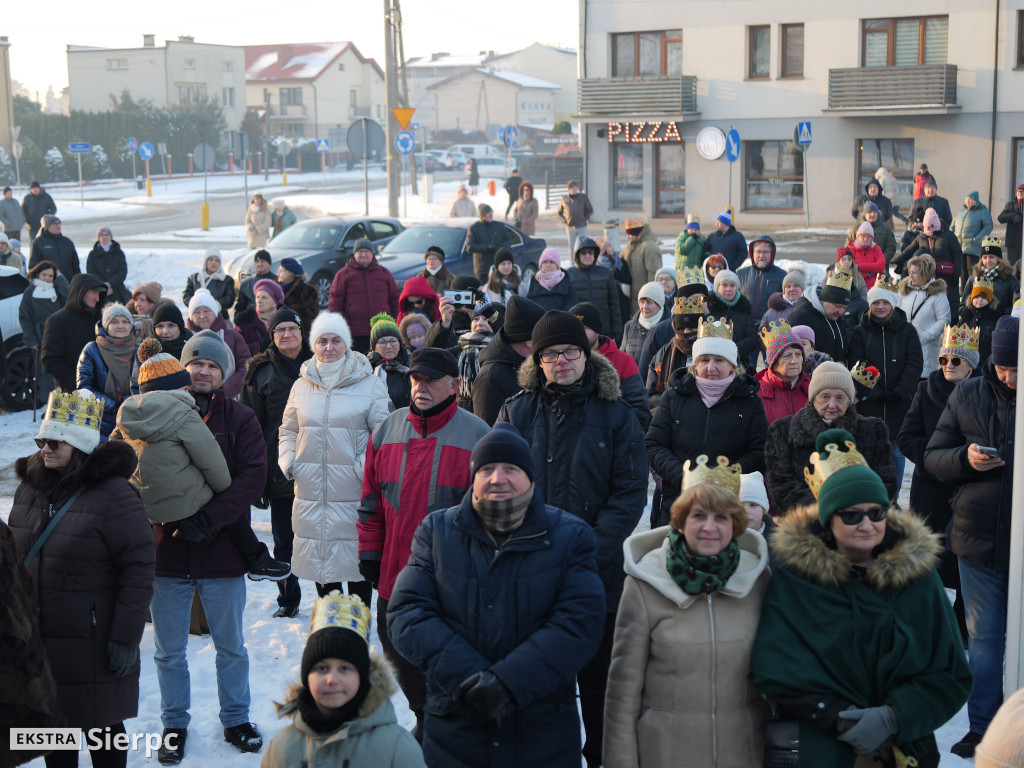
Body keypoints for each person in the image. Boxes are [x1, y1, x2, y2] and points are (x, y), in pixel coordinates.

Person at [387, 423, 606, 768]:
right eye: (486, 468)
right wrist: (470, 678)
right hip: (457, 727)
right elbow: (407, 613)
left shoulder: (570, 535)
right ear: (473, 477)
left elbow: (579, 622)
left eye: (511, 468)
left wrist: (508, 683)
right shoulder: (437, 531)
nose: (497, 478)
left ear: (530, 476)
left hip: (541, 728)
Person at [753, 429, 971, 768]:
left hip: (906, 750)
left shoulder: (919, 581)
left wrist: (895, 716)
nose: (867, 524)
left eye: (877, 512)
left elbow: (950, 672)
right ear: (828, 519)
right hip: (823, 749)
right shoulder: (796, 580)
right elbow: (775, 665)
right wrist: (837, 715)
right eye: (851, 515)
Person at [496, 310, 647, 767]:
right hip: (531, 574)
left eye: (569, 352)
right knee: (542, 687)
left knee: (600, 688)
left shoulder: (616, 415)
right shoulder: (515, 411)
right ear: (537, 360)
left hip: (595, 578)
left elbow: (629, 492)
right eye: (550, 354)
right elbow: (498, 487)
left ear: (586, 355)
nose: (560, 361)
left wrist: (587, 552)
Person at [9, 388, 155, 768]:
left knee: (103, 729)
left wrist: (125, 638)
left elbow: (138, 569)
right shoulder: (29, 490)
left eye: (56, 441)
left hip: (92, 644)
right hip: (40, 640)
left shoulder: (114, 495)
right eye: (42, 439)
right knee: (56, 734)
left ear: (80, 445)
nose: (46, 448)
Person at [147, 331, 271, 764]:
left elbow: (252, 477)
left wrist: (209, 520)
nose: (202, 371)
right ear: (184, 368)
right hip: (168, 553)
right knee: (168, 650)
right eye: (196, 363)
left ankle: (236, 717)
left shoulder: (240, 419)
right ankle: (174, 724)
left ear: (224, 374)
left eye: (212, 366)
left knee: (231, 645)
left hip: (221, 552)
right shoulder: (152, 412)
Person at [603, 456, 770, 768]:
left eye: (721, 517)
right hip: (665, 755)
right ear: (680, 520)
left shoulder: (757, 580)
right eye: (699, 515)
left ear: (735, 523)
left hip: (743, 754)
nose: (710, 527)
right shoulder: (645, 585)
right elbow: (622, 697)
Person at [357, 347, 489, 736]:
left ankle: (444, 725)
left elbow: (488, 520)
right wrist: (369, 552)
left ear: (455, 384)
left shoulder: (478, 437)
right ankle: (424, 717)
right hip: (394, 576)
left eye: (431, 380)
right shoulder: (386, 430)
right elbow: (370, 504)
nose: (421, 387)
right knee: (398, 652)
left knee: (444, 661)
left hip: (452, 582)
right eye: (416, 379)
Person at [924, 315, 1018, 758]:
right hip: (977, 540)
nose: (1010, 377)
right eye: (1003, 369)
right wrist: (965, 459)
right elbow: (933, 457)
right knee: (984, 641)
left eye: (1018, 368)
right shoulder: (968, 393)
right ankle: (982, 726)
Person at [278, 312, 392, 606]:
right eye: (322, 341)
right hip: (311, 490)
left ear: (347, 344)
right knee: (321, 562)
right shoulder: (301, 385)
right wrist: (290, 461)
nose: (329, 347)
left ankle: (356, 629)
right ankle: (332, 627)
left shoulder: (370, 384)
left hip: (353, 490)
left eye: (336, 340)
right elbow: (288, 429)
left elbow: (384, 436)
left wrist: (361, 469)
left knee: (356, 563)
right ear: (314, 345)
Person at [261, 592, 426, 768]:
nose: (332, 679)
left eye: (345, 669)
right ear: (306, 677)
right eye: (322, 668)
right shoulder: (282, 747)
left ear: (362, 677)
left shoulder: (397, 747)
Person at [896, 323, 981, 645]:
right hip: (930, 490)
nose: (948, 366)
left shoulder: (982, 394)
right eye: (944, 359)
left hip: (967, 490)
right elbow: (907, 436)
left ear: (971, 364)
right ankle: (924, 627)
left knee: (962, 563)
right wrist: (933, 460)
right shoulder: (926, 389)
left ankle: (960, 632)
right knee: (926, 561)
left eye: (956, 361)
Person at [646, 316, 767, 526]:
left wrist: (729, 476)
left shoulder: (749, 401)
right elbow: (655, 444)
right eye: (704, 360)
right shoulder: (674, 396)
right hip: (679, 500)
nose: (711, 367)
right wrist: (682, 475)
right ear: (695, 363)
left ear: (732, 365)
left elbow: (759, 450)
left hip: (729, 502)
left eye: (719, 360)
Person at [239, 308, 312, 618]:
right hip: (281, 469)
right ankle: (288, 598)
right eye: (279, 329)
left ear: (301, 331)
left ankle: (331, 596)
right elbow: (250, 427)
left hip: (321, 466)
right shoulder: (261, 372)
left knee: (327, 537)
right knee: (285, 541)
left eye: (291, 328)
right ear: (272, 336)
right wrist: (255, 475)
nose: (286, 334)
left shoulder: (320, 362)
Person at [764, 362, 897, 515]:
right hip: (808, 521)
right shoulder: (782, 431)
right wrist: (827, 510)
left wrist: (852, 511)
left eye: (840, 398)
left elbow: (886, 483)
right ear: (813, 398)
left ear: (850, 400)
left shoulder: (872, 431)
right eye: (825, 397)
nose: (832, 405)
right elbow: (781, 487)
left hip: (860, 519)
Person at [847, 273, 923, 489]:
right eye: (876, 302)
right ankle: (869, 492)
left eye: (885, 302)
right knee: (868, 450)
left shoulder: (907, 331)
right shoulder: (860, 332)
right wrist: (874, 391)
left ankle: (893, 496)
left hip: (900, 403)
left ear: (893, 303)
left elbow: (914, 363)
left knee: (896, 452)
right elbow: (856, 362)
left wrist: (900, 391)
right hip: (870, 403)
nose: (881, 307)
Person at [571, 300, 650, 429]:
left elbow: (639, 408)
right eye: (574, 328)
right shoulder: (563, 361)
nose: (578, 333)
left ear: (597, 331)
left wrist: (616, 434)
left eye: (584, 328)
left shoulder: (623, 360)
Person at [471, 294, 544, 424]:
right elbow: (488, 435)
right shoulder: (490, 378)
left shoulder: (531, 365)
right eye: (543, 335)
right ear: (529, 340)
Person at [76, 303, 139, 441]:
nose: (120, 326)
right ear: (105, 326)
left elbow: (149, 384)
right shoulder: (92, 350)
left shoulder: (140, 350)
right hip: (102, 423)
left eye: (125, 321)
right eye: (114, 322)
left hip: (137, 418)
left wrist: (126, 404)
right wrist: (113, 405)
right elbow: (84, 388)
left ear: (131, 326)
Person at [329, 237, 401, 353]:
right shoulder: (343, 275)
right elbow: (335, 303)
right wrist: (342, 325)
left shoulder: (384, 273)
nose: (363, 254)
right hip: (355, 334)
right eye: (360, 252)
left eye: (367, 251)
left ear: (372, 254)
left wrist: (393, 322)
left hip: (381, 331)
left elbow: (395, 300)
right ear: (354, 254)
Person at [42, 273, 107, 392]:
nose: (97, 299)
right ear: (80, 292)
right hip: (71, 394)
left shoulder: (100, 320)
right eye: (93, 293)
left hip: (101, 392)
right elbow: (50, 360)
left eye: (99, 294)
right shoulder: (57, 321)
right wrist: (78, 381)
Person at [898, 207, 964, 321]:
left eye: (930, 227)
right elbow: (910, 249)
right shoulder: (922, 237)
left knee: (949, 303)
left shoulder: (948, 236)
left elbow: (958, 254)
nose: (927, 229)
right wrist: (898, 259)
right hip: (927, 278)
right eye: (926, 227)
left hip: (947, 277)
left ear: (936, 224)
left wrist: (956, 274)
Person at [185, 289, 251, 399]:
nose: (202, 316)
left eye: (206, 311)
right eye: (197, 312)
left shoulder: (232, 335)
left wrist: (224, 391)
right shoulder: (185, 337)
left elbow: (245, 366)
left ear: (215, 313)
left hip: (230, 398)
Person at [19, 260, 66, 400]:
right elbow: (24, 316)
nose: (47, 278)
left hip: (58, 335)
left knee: (60, 369)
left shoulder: (57, 289)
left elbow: (69, 299)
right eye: (44, 275)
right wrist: (31, 339)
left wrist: (61, 278)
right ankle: (47, 404)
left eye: (50, 276)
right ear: (37, 274)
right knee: (44, 372)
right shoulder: (30, 292)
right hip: (40, 336)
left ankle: (61, 403)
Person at [898, 253, 950, 376]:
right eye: (910, 271)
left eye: (914, 272)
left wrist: (924, 336)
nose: (910, 275)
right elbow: (897, 312)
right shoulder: (905, 290)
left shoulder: (937, 294)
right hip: (904, 346)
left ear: (925, 274)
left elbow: (944, 320)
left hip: (926, 349)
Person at [787, 268, 851, 364]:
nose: (841, 312)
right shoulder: (800, 316)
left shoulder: (838, 319)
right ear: (823, 301)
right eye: (837, 306)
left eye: (844, 308)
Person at [568, 236, 623, 341]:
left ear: (595, 254)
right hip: (579, 329)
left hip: (603, 329)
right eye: (584, 253)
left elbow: (615, 304)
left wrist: (617, 328)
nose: (587, 255)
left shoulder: (605, 273)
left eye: (590, 252)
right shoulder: (569, 275)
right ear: (577, 255)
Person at [757, 319, 810, 424]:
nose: (794, 361)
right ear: (774, 362)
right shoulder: (757, 394)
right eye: (787, 356)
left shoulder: (812, 390)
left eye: (798, 354)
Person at [737, 235, 786, 335]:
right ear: (752, 253)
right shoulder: (740, 274)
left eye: (765, 252)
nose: (761, 256)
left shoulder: (782, 276)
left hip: (771, 329)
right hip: (745, 328)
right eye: (758, 252)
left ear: (772, 254)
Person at [707, 269, 758, 363]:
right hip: (712, 360)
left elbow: (751, 337)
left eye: (732, 285)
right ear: (717, 287)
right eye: (724, 285)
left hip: (739, 361)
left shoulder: (744, 308)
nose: (728, 289)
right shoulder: (708, 307)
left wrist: (733, 351)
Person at [961, 235, 1019, 313]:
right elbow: (962, 306)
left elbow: (1017, 307)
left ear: (998, 258)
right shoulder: (973, 279)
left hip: (1000, 322)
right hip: (977, 322)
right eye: (985, 257)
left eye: (992, 257)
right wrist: (972, 311)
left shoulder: (1010, 280)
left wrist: (1000, 312)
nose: (988, 261)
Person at [952, 190, 994, 292]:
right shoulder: (961, 212)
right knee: (962, 271)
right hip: (960, 246)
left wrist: (978, 238)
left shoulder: (982, 211)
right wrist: (952, 239)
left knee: (972, 270)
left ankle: (973, 291)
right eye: (966, 200)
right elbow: (952, 226)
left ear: (975, 200)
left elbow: (988, 226)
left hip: (973, 246)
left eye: (970, 200)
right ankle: (963, 292)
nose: (968, 202)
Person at [368, 313, 411, 410]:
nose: (388, 346)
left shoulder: (410, 366)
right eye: (382, 342)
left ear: (400, 344)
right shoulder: (367, 371)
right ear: (374, 347)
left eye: (393, 341)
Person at [621, 281, 669, 365]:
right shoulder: (629, 326)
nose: (644, 307)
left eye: (649, 302)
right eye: (642, 302)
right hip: (634, 377)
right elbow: (622, 357)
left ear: (659, 305)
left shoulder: (669, 327)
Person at [621, 217, 663, 311]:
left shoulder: (649, 248)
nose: (629, 237)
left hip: (645, 297)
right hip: (634, 295)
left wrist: (650, 296)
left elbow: (654, 273)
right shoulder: (631, 245)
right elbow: (621, 258)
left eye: (631, 234)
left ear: (638, 232)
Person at [467, 203, 512, 285]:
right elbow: (470, 247)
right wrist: (487, 248)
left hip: (498, 266)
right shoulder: (474, 228)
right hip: (483, 269)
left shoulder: (500, 226)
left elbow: (508, 240)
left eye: (491, 212)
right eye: (488, 212)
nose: (491, 214)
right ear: (482, 215)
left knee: (499, 291)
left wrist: (501, 248)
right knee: (484, 293)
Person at [183, 248, 235, 319]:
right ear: (205, 262)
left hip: (220, 317)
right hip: (197, 317)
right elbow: (186, 295)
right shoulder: (194, 278)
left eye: (217, 260)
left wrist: (216, 305)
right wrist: (196, 304)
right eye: (211, 260)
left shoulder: (226, 280)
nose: (214, 262)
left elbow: (230, 298)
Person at [235, 278, 282, 354]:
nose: (259, 301)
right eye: (257, 297)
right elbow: (237, 349)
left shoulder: (286, 321)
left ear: (274, 302)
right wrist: (259, 346)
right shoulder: (245, 322)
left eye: (264, 297)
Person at [86, 226, 130, 305]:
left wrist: (110, 284)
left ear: (111, 236)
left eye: (106, 235)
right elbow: (91, 272)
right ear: (98, 237)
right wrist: (103, 285)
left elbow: (122, 272)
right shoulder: (93, 254)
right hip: (99, 291)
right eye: (102, 235)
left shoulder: (119, 253)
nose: (104, 237)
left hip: (117, 290)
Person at [29, 215, 79, 279]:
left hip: (68, 282)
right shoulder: (38, 243)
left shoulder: (67, 242)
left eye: (59, 223)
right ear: (47, 226)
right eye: (54, 224)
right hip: (47, 282)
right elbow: (33, 265)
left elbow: (75, 265)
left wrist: (77, 280)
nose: (58, 226)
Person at [276, 257, 319, 330]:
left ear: (289, 273)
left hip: (298, 331)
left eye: (281, 271)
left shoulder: (308, 290)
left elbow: (310, 315)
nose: (278, 274)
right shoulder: (273, 288)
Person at [758, 267, 805, 333]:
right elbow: (762, 334)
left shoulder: (809, 309)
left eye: (796, 286)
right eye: (788, 286)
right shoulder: (772, 312)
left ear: (802, 289)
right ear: (784, 290)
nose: (792, 289)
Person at [847, 221, 887, 289]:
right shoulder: (850, 250)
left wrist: (859, 267)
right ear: (858, 236)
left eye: (869, 237)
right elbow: (848, 267)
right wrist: (872, 269)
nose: (865, 239)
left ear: (872, 238)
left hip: (875, 287)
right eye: (863, 236)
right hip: (855, 287)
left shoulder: (876, 249)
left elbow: (881, 266)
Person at [558, 180, 594, 254]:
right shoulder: (564, 199)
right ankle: (572, 263)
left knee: (583, 245)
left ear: (577, 188)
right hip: (570, 227)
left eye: (575, 188)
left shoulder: (583, 197)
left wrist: (584, 219)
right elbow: (559, 213)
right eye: (572, 188)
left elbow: (590, 210)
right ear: (569, 189)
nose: (574, 190)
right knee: (572, 246)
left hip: (582, 226)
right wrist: (564, 220)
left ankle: (583, 262)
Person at [235, 249, 273, 316]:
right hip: (250, 320)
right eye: (257, 261)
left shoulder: (276, 281)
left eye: (262, 261)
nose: (259, 264)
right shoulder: (246, 283)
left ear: (269, 263)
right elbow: (240, 307)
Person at [996, 183, 1023, 265]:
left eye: (1021, 191)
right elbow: (1000, 218)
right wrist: (1012, 216)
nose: (1019, 193)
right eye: (1018, 191)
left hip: (1022, 240)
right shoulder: (1010, 205)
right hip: (1012, 241)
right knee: (1014, 266)